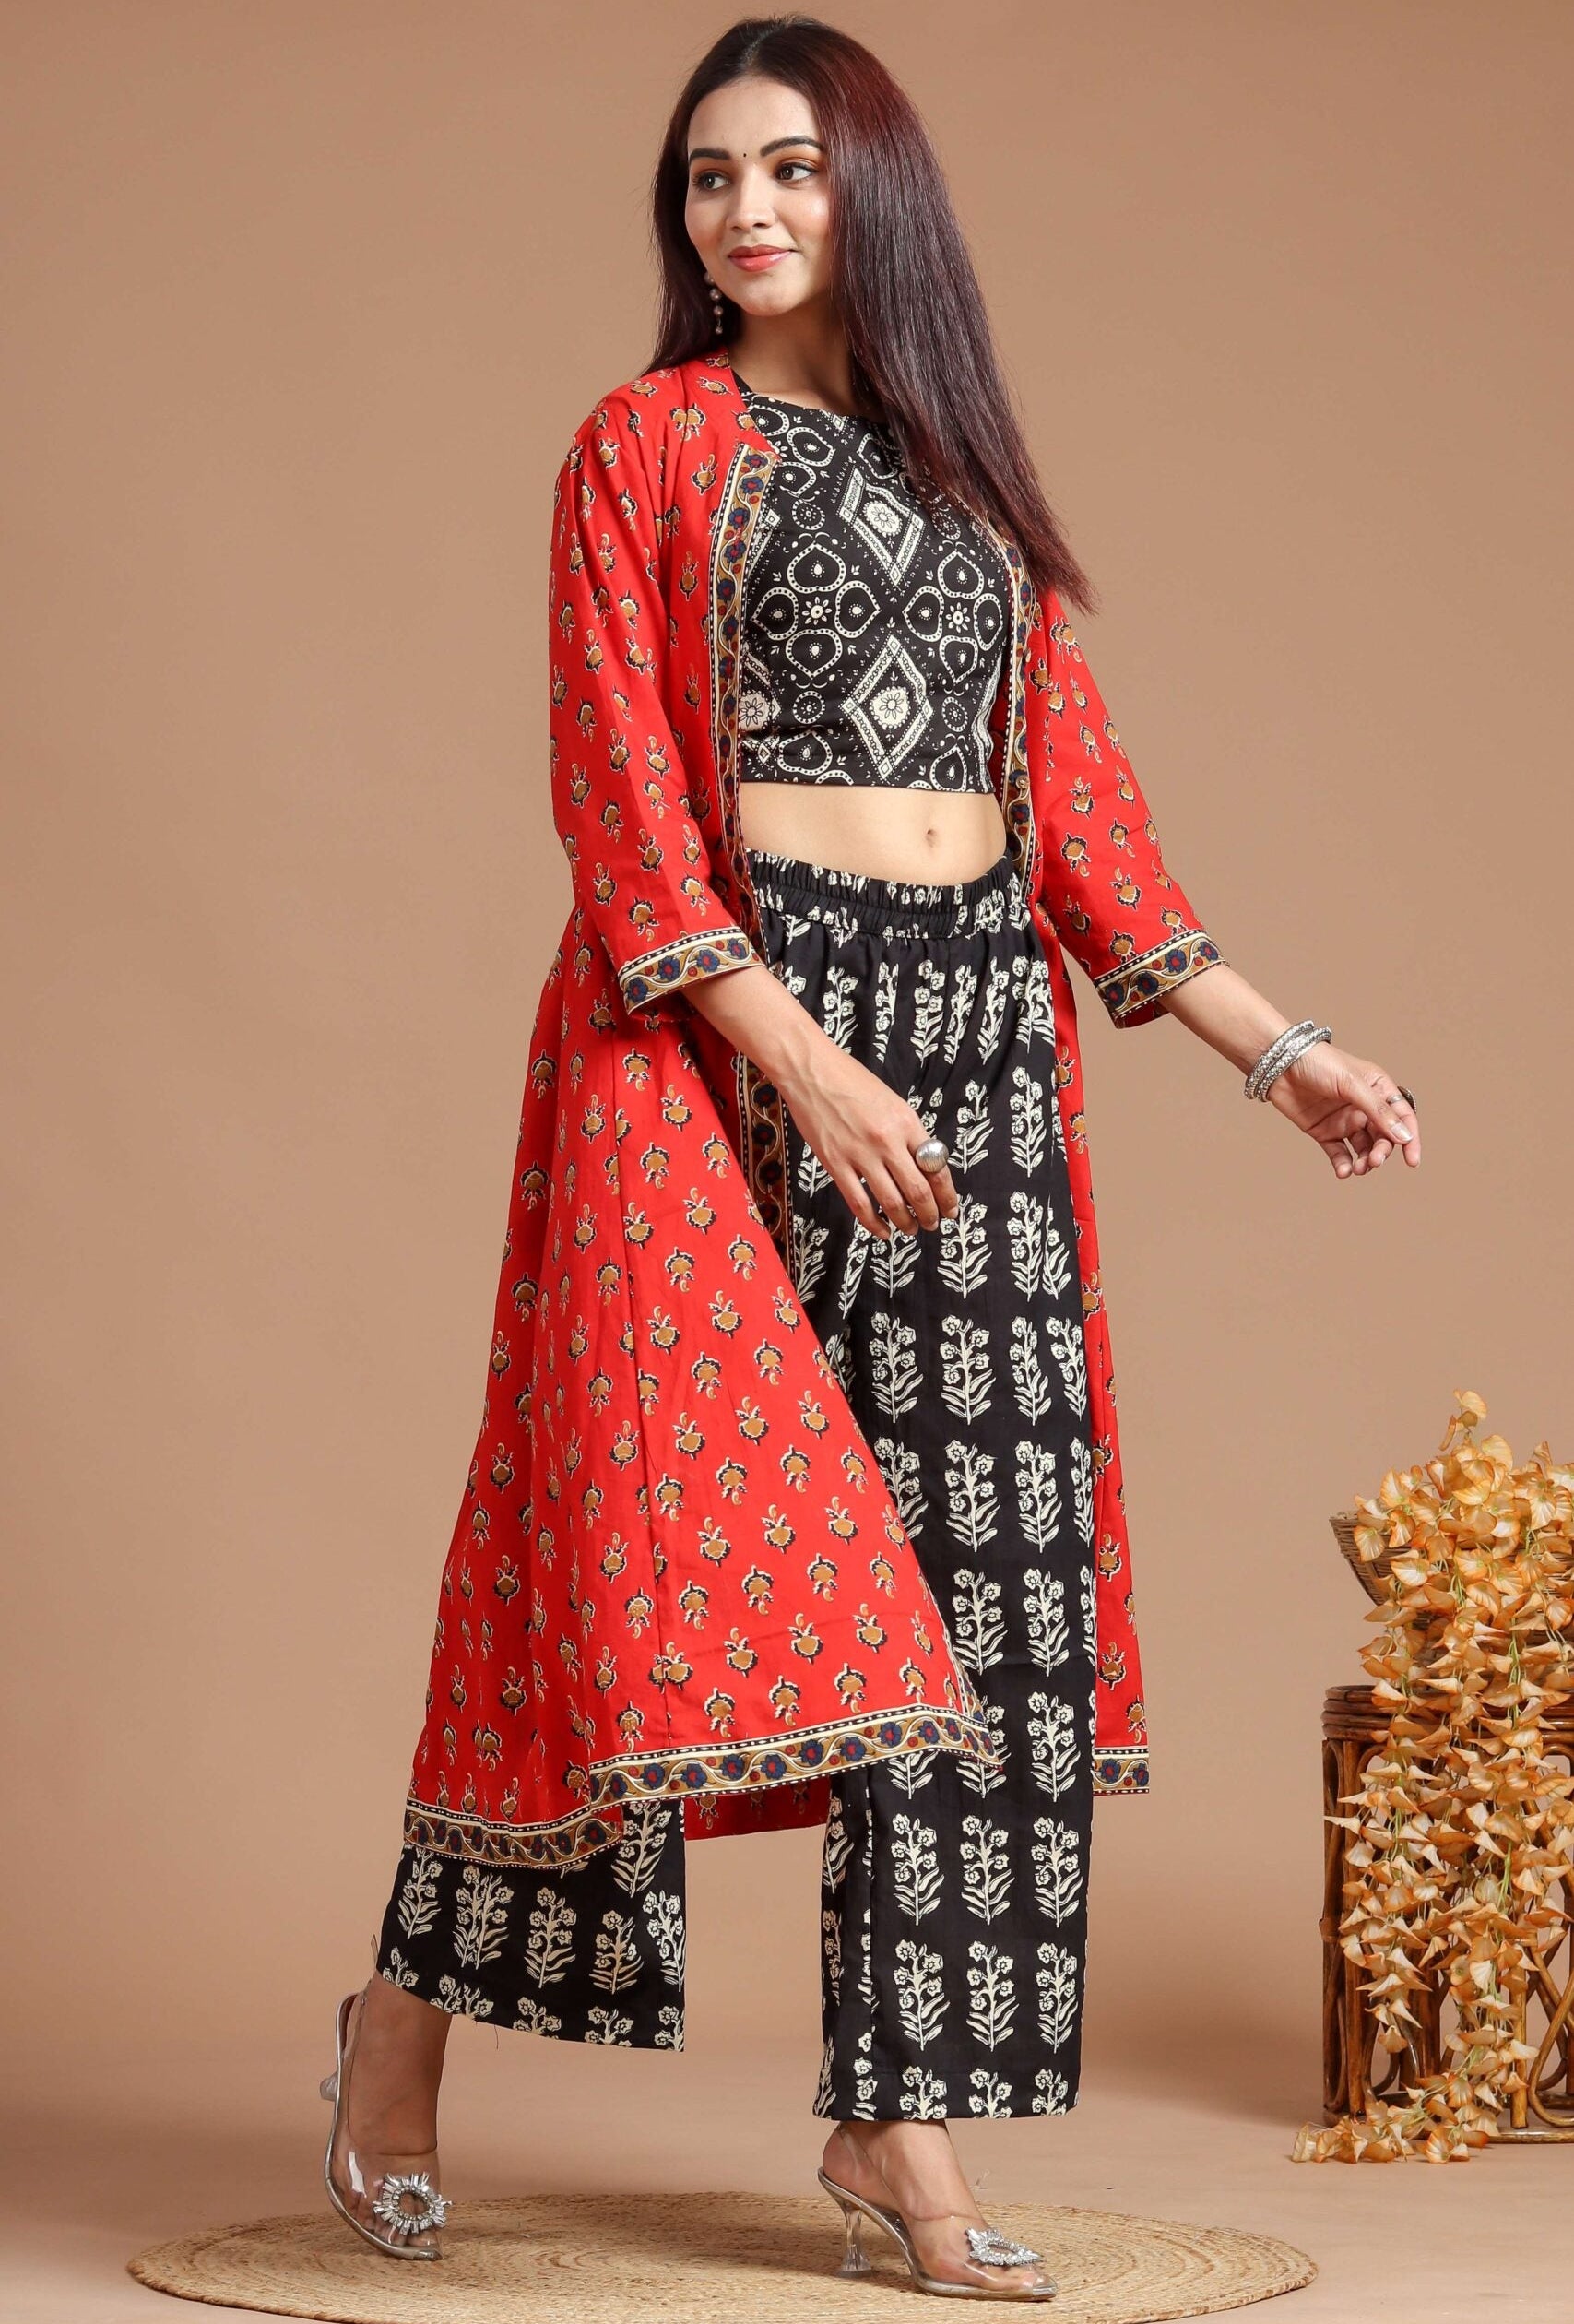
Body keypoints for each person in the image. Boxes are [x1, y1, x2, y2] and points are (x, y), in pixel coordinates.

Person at [319, 16, 1420, 2301]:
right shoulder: (645, 447)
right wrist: (790, 1054)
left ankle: (895, 2132)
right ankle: (397, 2037)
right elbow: (617, 795)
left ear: (873, 198)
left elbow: (1080, 830)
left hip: (979, 1045)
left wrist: (1273, 1046)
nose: (740, 212)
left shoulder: (965, 489)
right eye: (706, 176)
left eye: (791, 170)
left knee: (978, 1602)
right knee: (615, 1578)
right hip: (707, 1044)